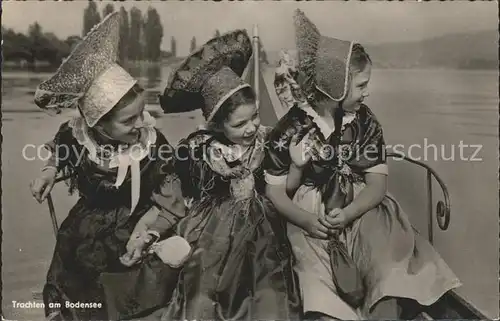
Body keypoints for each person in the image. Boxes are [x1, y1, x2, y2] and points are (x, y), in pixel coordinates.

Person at [264, 9, 462, 320]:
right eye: (360, 85)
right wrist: (303, 219)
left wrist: (348, 213)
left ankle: (387, 304)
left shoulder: (365, 121)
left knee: (386, 255)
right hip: (309, 211)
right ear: (335, 87)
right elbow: (275, 194)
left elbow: (377, 186)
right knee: (314, 271)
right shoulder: (291, 128)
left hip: (361, 205)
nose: (366, 92)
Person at [131, 29, 300, 321]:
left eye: (254, 117)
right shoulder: (199, 150)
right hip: (214, 224)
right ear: (219, 126)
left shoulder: (267, 139)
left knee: (265, 276)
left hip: (261, 222)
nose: (250, 128)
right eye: (239, 124)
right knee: (207, 276)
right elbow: (179, 192)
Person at [29, 12, 186, 321]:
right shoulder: (79, 137)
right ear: (98, 125)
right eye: (129, 120)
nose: (140, 124)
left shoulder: (153, 143)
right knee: (80, 291)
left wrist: (146, 234)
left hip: (139, 222)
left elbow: (170, 194)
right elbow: (60, 151)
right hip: (87, 231)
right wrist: (49, 171)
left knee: (135, 298)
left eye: (141, 114)